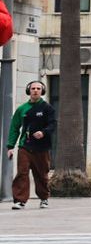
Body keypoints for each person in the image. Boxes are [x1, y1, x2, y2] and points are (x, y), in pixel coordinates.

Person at [7, 79, 54, 208]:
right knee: (22, 173)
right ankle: (20, 200)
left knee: (41, 175)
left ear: (42, 91)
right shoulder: (22, 109)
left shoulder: (47, 108)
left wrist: (43, 132)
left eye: (38, 89)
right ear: (29, 91)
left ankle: (44, 198)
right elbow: (14, 128)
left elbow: (52, 124)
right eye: (33, 88)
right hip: (25, 146)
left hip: (42, 148)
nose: (35, 91)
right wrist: (10, 146)